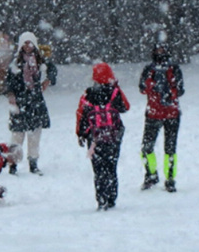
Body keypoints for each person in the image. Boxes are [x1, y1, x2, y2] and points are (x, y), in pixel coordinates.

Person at [76, 62, 130, 210]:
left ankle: (101, 199)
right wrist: (117, 87)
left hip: (94, 139)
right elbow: (126, 107)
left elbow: (81, 115)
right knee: (111, 168)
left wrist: (80, 134)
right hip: (113, 136)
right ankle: (112, 198)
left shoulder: (87, 94)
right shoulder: (114, 93)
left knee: (99, 171)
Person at [3, 31, 57, 175]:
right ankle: (13, 164)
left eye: (30, 42)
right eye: (25, 43)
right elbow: (8, 81)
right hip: (20, 102)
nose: (28, 46)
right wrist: (10, 94)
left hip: (35, 101)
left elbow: (52, 69)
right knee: (17, 135)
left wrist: (47, 80)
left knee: (34, 135)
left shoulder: (40, 59)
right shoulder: (15, 62)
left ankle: (33, 163)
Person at [138, 45, 185, 192]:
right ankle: (151, 174)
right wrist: (155, 85)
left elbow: (180, 89)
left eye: (162, 51)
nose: (160, 54)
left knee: (170, 149)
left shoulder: (174, 69)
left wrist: (167, 91)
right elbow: (142, 88)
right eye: (158, 51)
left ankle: (170, 178)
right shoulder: (149, 69)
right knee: (147, 147)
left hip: (170, 114)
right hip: (154, 114)